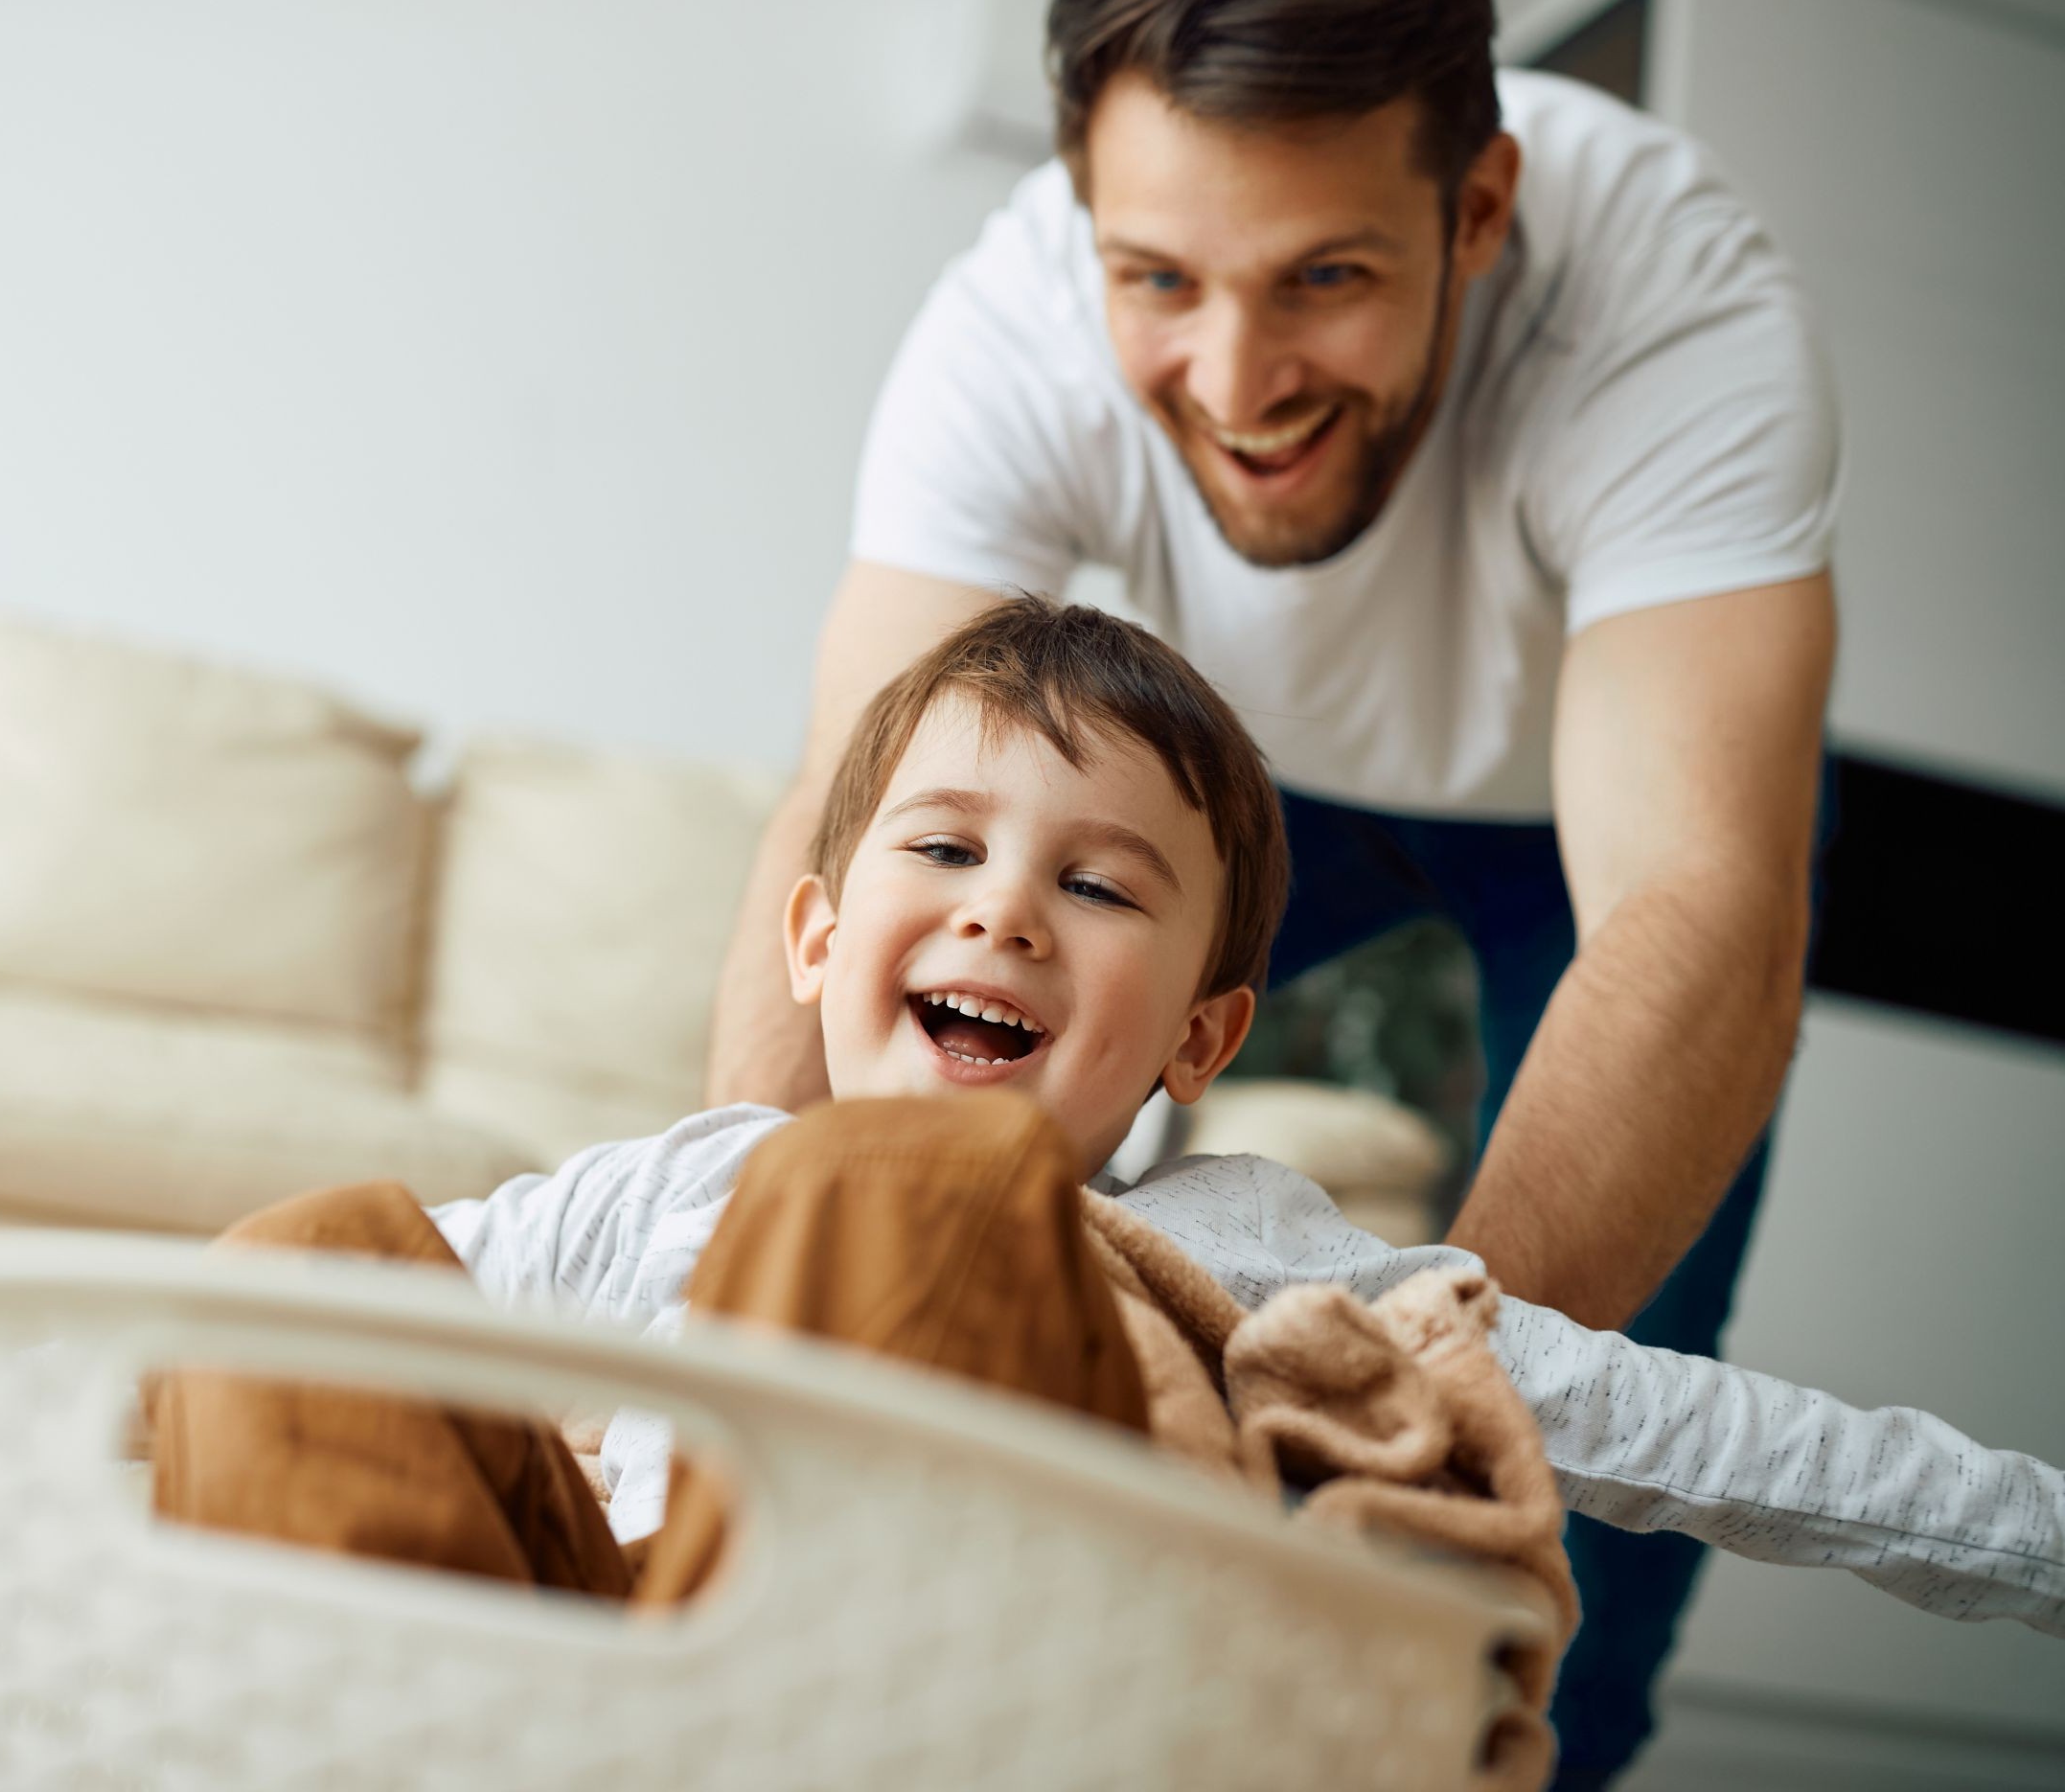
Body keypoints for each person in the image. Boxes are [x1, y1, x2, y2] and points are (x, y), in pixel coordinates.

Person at [155, 604, 2060, 1758]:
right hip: (549, 1706)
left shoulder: (1252, 1252)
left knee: (914, 1191)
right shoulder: (662, 1186)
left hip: (958, 1717)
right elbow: (277, 1353)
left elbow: (1689, 1428)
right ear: (815, 937)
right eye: (950, 846)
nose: (1004, 905)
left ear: (1200, 1040)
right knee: (315, 1260)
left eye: (1097, 883)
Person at [700, 0, 1838, 1777]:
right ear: (1089, 229)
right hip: (1236, 783)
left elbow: (1701, 896)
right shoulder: (1012, 321)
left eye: (1324, 275)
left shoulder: (1674, 298)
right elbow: (849, 818)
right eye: (1159, 280)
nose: (1232, 387)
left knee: (1586, 1424)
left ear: (1476, 215)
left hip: (1595, 824)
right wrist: (720, 1280)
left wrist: (1415, 1400)